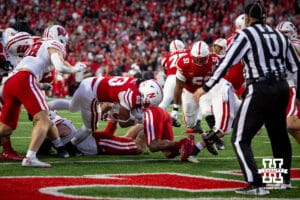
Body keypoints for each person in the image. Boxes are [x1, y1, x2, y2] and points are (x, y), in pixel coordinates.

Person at [193, 2, 299, 195]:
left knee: (239, 138)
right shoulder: (279, 35)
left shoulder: (246, 34)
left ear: (247, 19)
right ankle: (283, 180)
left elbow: (227, 61)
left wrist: (206, 86)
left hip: (260, 87)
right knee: (279, 136)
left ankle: (256, 184)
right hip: (282, 87)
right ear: (265, 17)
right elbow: (296, 66)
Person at [0, 24, 86, 168]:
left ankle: (54, 151)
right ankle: (30, 157)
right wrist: (76, 68)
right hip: (24, 79)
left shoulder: (36, 43)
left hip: (10, 81)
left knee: (5, 129)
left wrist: (41, 86)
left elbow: (26, 61)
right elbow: (60, 66)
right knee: (44, 119)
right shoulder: (54, 43)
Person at [47, 77, 159, 150]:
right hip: (91, 94)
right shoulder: (131, 95)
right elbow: (123, 123)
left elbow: (136, 111)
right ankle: (70, 147)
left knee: (72, 106)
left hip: (89, 82)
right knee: (89, 128)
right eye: (148, 101)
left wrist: (142, 118)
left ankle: (45, 106)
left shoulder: (136, 85)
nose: (147, 105)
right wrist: (137, 120)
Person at [171, 40, 220, 155]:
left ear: (207, 56)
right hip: (189, 92)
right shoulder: (184, 62)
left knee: (210, 113)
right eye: (196, 58)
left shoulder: (215, 60)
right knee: (190, 124)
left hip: (207, 91)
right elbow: (178, 86)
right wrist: (175, 108)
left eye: (201, 58)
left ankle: (212, 138)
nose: (198, 61)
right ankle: (204, 134)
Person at [38, 110, 146, 156]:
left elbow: (47, 143)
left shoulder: (58, 126)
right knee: (126, 139)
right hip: (97, 142)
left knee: (139, 148)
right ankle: (145, 124)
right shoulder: (58, 122)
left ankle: (149, 125)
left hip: (100, 144)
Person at [276, 21, 300, 144]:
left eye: (285, 33)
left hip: (294, 87)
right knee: (290, 127)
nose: (283, 36)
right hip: (288, 87)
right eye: (280, 33)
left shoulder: (295, 43)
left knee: (289, 123)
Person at [158, 39, 189, 128]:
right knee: (191, 100)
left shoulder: (166, 57)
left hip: (171, 77)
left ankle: (155, 120)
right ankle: (193, 122)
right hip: (184, 76)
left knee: (164, 103)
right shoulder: (188, 52)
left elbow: (165, 70)